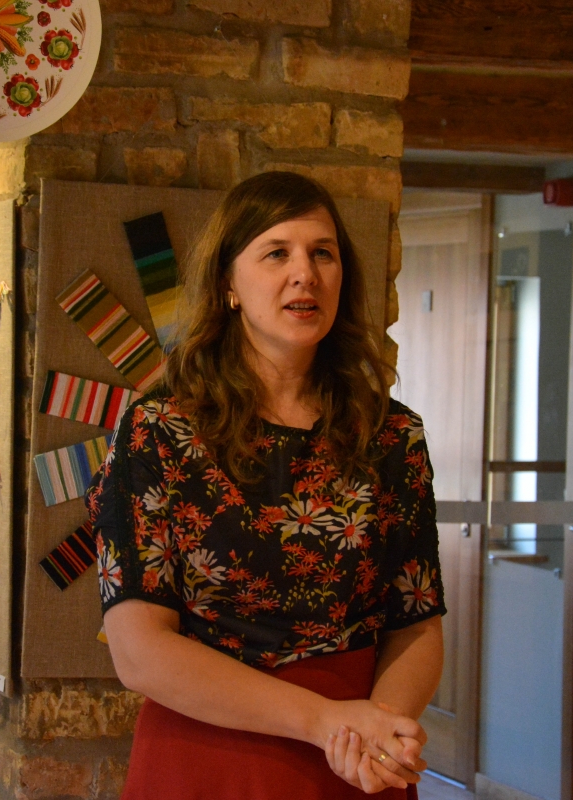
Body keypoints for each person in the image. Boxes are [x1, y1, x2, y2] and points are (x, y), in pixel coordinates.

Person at [87, 171, 446, 799]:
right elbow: (139, 653)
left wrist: (380, 735)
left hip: (354, 764)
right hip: (208, 757)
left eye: (323, 253)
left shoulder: (391, 435)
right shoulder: (159, 432)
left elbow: (415, 622)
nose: (304, 273)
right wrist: (325, 721)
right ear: (229, 283)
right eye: (277, 253)